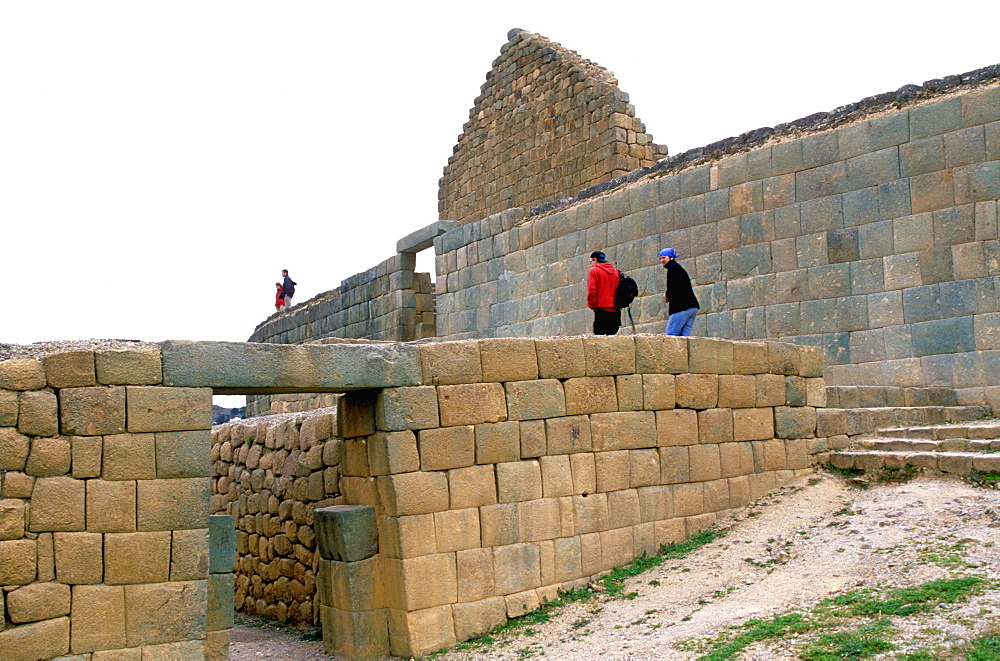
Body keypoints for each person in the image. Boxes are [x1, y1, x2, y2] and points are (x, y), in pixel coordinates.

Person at [660, 248, 699, 336]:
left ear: (671, 258)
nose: (662, 260)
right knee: (684, 338)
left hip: (681, 307)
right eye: (660, 258)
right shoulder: (678, 268)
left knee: (671, 336)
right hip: (692, 306)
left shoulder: (672, 268)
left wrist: (667, 295)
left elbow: (673, 286)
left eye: (664, 257)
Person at [587, 250, 621, 336]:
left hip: (601, 308)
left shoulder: (594, 271)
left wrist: (592, 304)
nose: (591, 264)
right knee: (612, 338)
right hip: (615, 309)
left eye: (591, 261)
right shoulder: (616, 271)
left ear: (595, 260)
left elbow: (592, 290)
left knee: (600, 338)